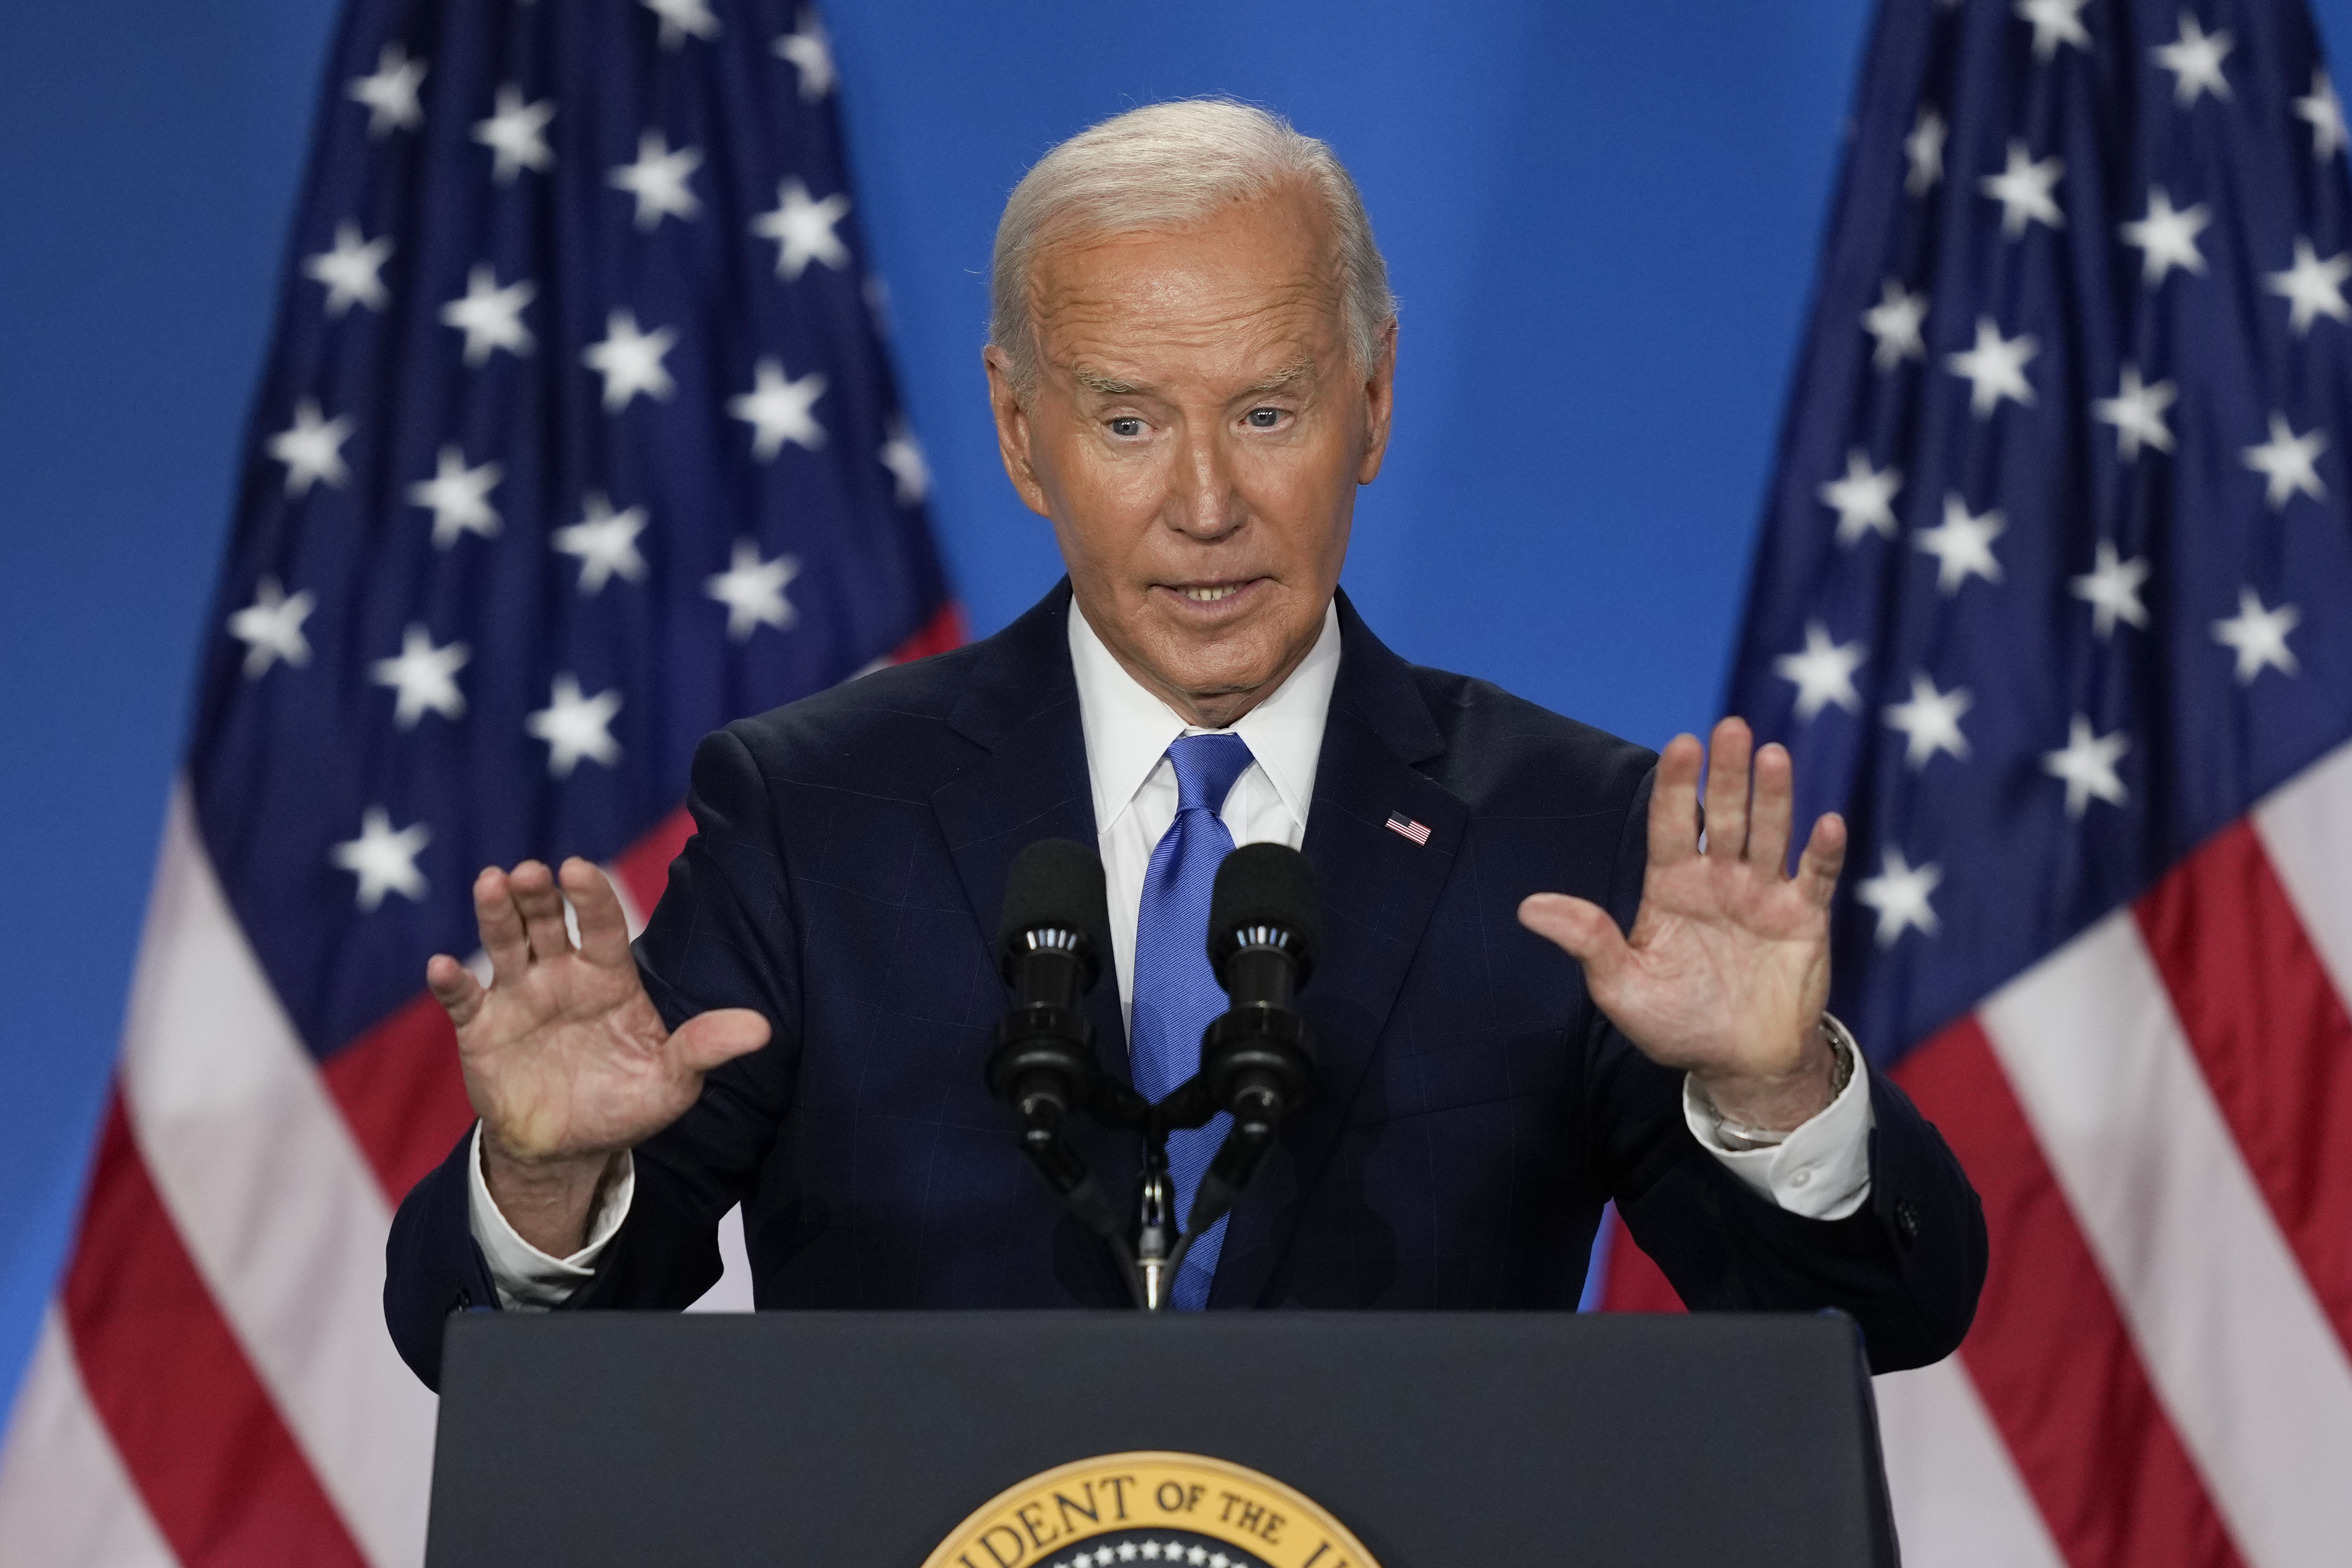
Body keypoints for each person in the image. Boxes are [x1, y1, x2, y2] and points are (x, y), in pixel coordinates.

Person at [385, 100, 1984, 1387]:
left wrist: (1774, 1094)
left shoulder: (1565, 834)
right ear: (1023, 434)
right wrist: (544, 1186)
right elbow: (520, 1352)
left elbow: (1877, 1318)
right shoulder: (817, 814)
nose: (1206, 503)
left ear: (1371, 400)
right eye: (1131, 420)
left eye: (1270, 412)